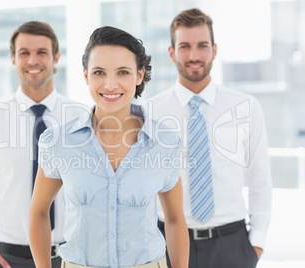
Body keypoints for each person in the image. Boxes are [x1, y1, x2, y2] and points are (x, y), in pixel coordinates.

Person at [29, 26, 189, 268]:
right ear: (86, 76)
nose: (110, 84)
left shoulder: (165, 143)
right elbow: (39, 212)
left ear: (139, 75)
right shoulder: (58, 142)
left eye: (123, 72)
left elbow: (175, 219)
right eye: (99, 72)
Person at [143, 8, 272, 268]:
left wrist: (255, 246)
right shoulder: (149, 113)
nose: (194, 56)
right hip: (166, 244)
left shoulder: (246, 107)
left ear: (214, 50)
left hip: (232, 244)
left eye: (202, 46)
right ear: (172, 53)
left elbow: (260, 180)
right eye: (185, 46)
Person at [0, 21, 84, 268]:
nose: (33, 60)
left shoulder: (81, 118)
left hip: (74, 258)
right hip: (12, 259)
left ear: (56, 58)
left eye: (42, 52)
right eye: (24, 53)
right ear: (13, 59)